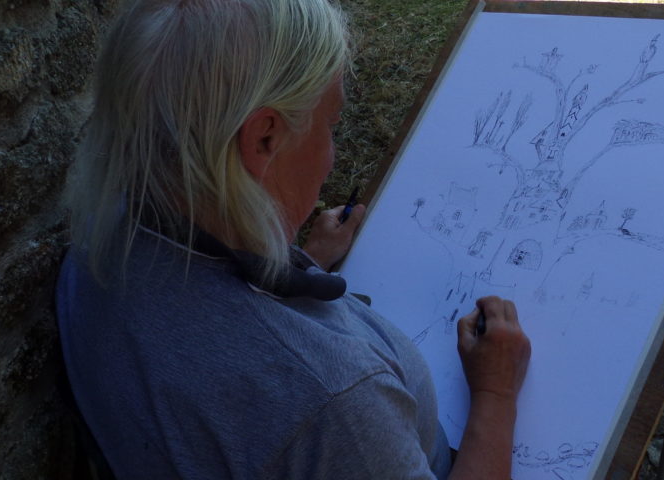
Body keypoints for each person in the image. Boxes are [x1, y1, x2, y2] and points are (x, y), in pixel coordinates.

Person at [56, 0, 531, 478]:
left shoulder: (107, 233)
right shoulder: (331, 403)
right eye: (330, 124)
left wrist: (303, 264)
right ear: (264, 138)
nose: (332, 154)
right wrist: (496, 394)